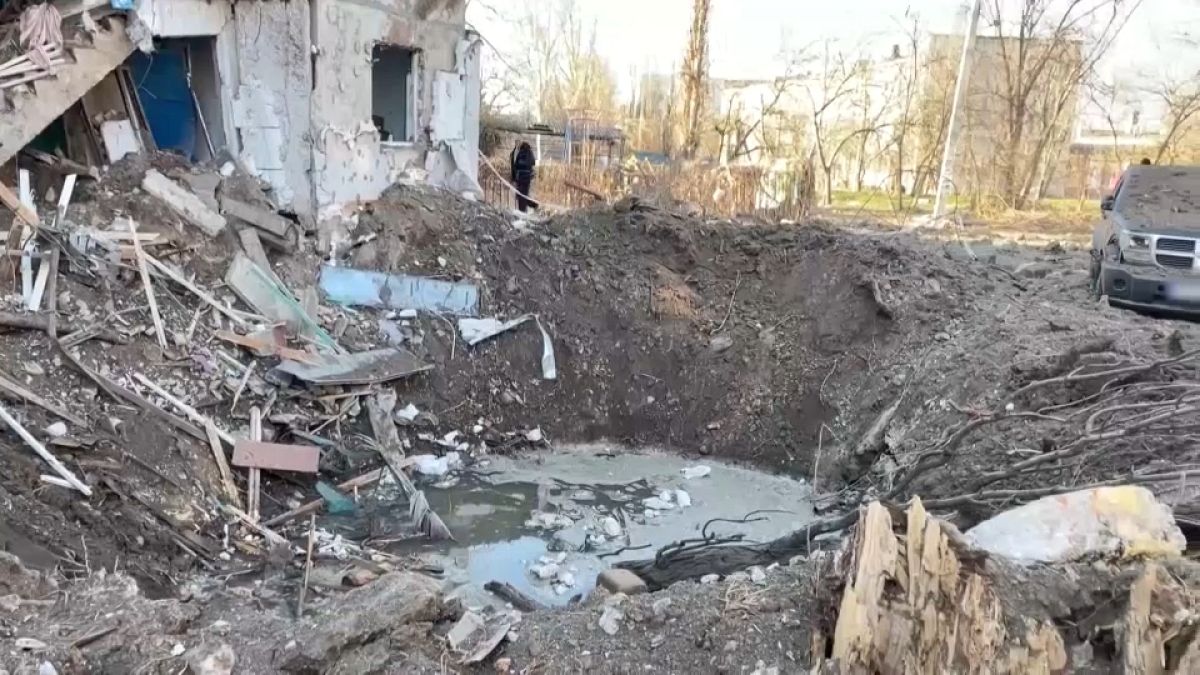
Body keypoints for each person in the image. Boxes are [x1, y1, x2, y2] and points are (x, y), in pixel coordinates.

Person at [510, 142, 537, 212]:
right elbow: (533, 162)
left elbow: (515, 166)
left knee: (520, 195)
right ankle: (527, 208)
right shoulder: (530, 153)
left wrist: (513, 178)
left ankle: (524, 209)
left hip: (520, 177)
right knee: (523, 194)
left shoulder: (519, 153)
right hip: (527, 177)